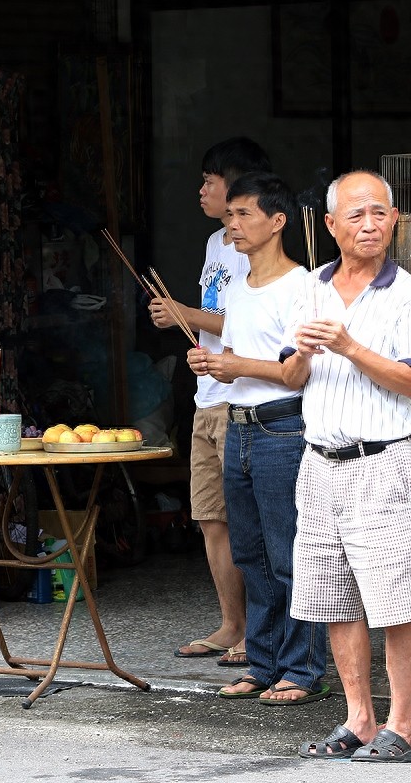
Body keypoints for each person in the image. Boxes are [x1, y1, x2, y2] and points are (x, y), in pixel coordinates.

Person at [282, 171, 411, 761]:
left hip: (380, 462)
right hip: (317, 464)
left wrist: (348, 346)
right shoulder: (310, 289)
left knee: (393, 600)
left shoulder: (407, 293)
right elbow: (291, 378)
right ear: (330, 226)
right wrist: (304, 353)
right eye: (356, 215)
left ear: (394, 220)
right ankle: (360, 719)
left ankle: (401, 727)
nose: (369, 225)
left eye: (379, 214)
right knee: (332, 598)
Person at [188, 171, 328, 705]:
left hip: (283, 426)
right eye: (230, 215)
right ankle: (263, 662)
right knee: (250, 552)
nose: (233, 225)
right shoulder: (239, 288)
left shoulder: (301, 286)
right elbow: (240, 362)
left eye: (244, 214)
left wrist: (234, 364)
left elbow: (296, 372)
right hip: (239, 425)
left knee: (290, 552)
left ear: (277, 221)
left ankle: (302, 669)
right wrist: (211, 363)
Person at [151, 137, 271, 665]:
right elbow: (213, 319)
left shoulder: (256, 248)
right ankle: (231, 624)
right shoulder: (212, 243)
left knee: (248, 520)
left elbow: (246, 324)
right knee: (210, 518)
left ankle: (258, 635)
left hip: (241, 398)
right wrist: (183, 319)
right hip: (208, 395)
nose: (201, 189)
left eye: (210, 180)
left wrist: (186, 314)